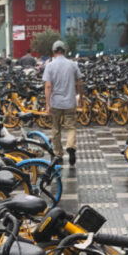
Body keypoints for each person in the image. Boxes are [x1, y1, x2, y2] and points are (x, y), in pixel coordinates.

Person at [43, 40, 83, 168]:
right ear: (64, 51)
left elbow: (48, 86)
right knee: (71, 127)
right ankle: (71, 146)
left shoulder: (50, 66)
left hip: (55, 103)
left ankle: (58, 155)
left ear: (53, 52)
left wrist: (47, 104)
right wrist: (80, 97)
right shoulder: (72, 64)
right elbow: (79, 82)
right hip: (70, 102)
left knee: (56, 129)